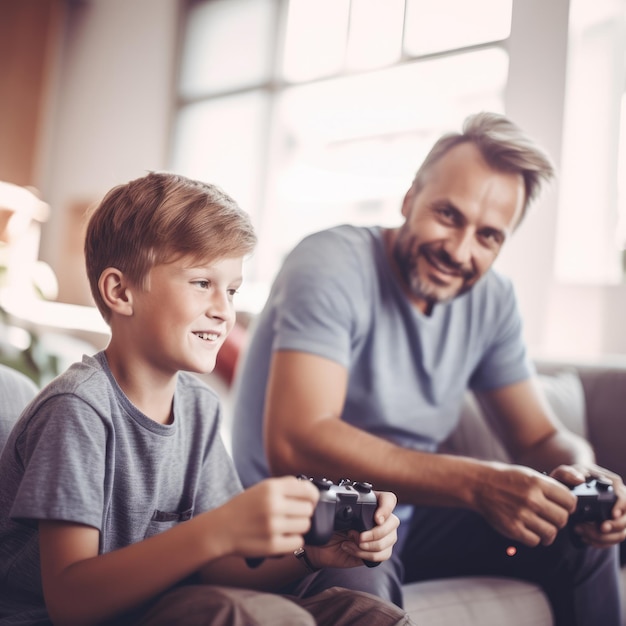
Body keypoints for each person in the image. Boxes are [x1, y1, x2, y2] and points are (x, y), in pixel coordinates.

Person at [230, 112, 626, 626]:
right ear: (409, 198)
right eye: (448, 215)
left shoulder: (492, 300)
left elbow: (540, 437)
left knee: (576, 533)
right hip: (317, 521)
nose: (459, 250)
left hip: (412, 517)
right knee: (360, 592)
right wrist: (479, 482)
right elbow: (299, 438)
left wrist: (584, 472)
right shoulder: (331, 263)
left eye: (488, 236)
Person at [0, 172, 413, 626]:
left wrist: (309, 554)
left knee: (364, 613)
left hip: (160, 609)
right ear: (120, 291)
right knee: (238, 614)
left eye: (231, 289)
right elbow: (69, 601)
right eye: (202, 283)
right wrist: (214, 530)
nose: (224, 309)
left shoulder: (199, 406)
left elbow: (219, 564)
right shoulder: (79, 411)